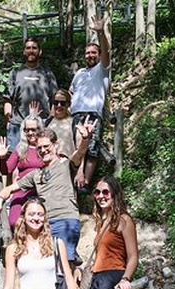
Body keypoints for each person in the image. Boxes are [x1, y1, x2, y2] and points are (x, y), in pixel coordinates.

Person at [0, 122, 94, 265]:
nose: (43, 150)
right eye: (40, 148)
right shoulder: (36, 174)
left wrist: (85, 139)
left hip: (65, 220)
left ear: (55, 145)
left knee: (64, 267)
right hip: (45, 225)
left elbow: (80, 153)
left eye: (47, 146)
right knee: (49, 265)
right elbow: (10, 188)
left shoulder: (65, 164)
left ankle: (73, 278)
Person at [69, 14, 111, 189]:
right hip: (76, 114)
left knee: (91, 147)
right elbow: (71, 91)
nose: (90, 55)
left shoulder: (102, 69)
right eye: (87, 53)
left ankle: (85, 183)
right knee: (77, 147)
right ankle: (75, 181)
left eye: (94, 52)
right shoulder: (79, 73)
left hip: (93, 113)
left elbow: (107, 52)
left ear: (98, 55)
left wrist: (101, 32)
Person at [3, 36, 59, 151]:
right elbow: (8, 99)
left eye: (34, 48)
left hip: (41, 125)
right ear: (24, 51)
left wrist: (50, 120)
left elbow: (56, 99)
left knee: (41, 161)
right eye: (28, 48)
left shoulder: (47, 73)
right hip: (17, 125)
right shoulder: (16, 72)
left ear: (40, 51)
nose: (31, 51)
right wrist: (8, 121)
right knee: (14, 162)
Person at [0, 114, 44, 229]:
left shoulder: (45, 148)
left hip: (40, 191)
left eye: (33, 129)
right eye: (27, 130)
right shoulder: (21, 148)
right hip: (21, 190)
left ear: (40, 130)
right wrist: (2, 158)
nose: (30, 133)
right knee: (14, 222)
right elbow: (6, 170)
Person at [46, 89, 75, 159]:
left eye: (63, 103)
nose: (59, 105)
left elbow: (80, 149)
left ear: (68, 104)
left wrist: (80, 168)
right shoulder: (48, 122)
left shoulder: (74, 123)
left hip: (66, 165)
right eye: (56, 102)